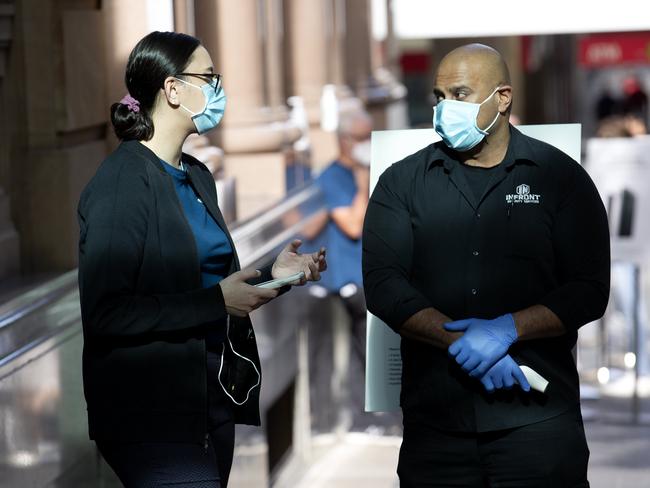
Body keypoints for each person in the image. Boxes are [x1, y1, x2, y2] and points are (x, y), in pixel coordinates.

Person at [77, 31, 326, 488]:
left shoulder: (196, 175)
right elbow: (106, 311)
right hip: (153, 420)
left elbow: (212, 281)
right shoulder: (123, 183)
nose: (218, 90)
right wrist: (215, 302)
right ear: (172, 90)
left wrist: (275, 275)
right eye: (208, 77)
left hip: (212, 404)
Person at [362, 43, 610, 487]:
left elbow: (589, 288)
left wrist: (508, 329)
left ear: (503, 97)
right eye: (438, 97)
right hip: (437, 427)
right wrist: (458, 340)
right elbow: (383, 284)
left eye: (459, 94)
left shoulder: (559, 177)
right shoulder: (401, 182)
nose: (444, 108)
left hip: (537, 425)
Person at [306, 108, 372, 431]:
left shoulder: (368, 170)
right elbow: (353, 225)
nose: (368, 144)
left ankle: (367, 418)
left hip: (366, 275)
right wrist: (362, 187)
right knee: (347, 351)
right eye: (363, 137)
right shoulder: (333, 177)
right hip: (347, 279)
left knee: (365, 350)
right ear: (345, 140)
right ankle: (346, 419)